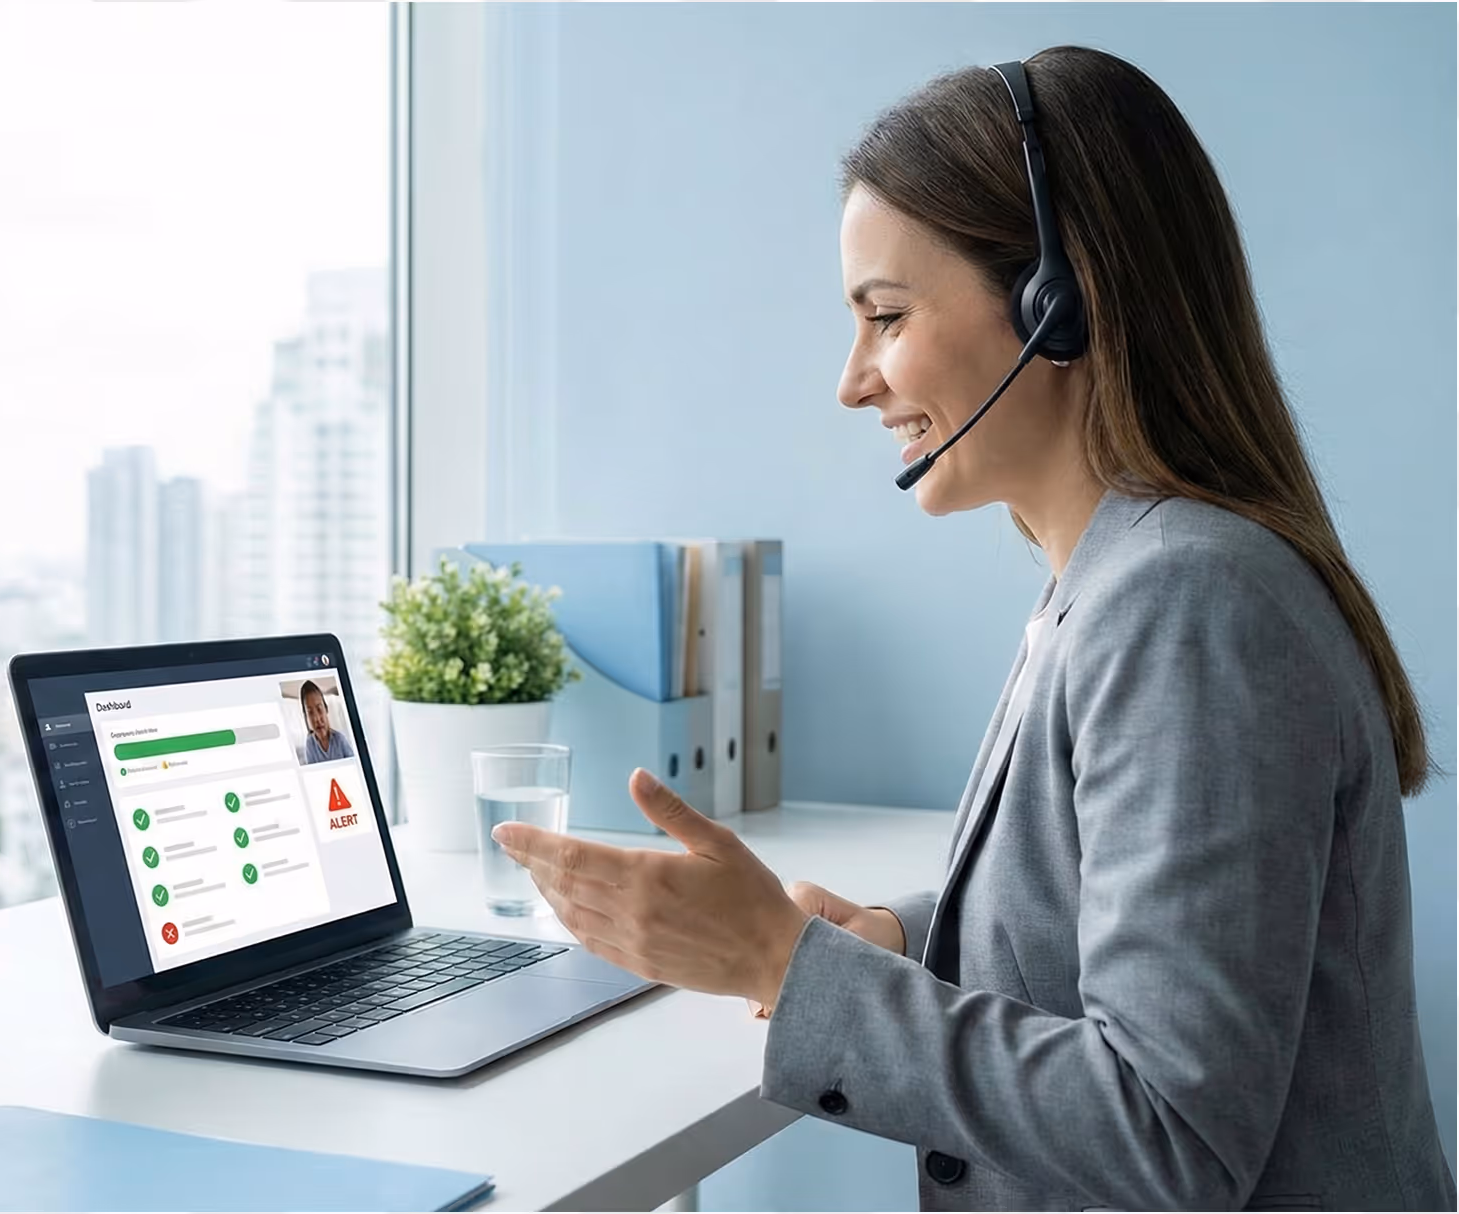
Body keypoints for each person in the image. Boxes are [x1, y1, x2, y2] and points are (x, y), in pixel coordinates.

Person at [492, 46, 1455, 1211]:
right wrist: (893, 937)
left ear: (1058, 302)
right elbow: (1100, 915)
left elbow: (1171, 1134)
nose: (853, 380)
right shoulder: (1112, 574)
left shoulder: (1186, 603)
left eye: (885, 316)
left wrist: (779, 967)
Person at [299, 680, 353, 764]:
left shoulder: (340, 740)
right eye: (310, 712)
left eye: (319, 709)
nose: (316, 718)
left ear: (326, 709)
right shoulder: (310, 744)